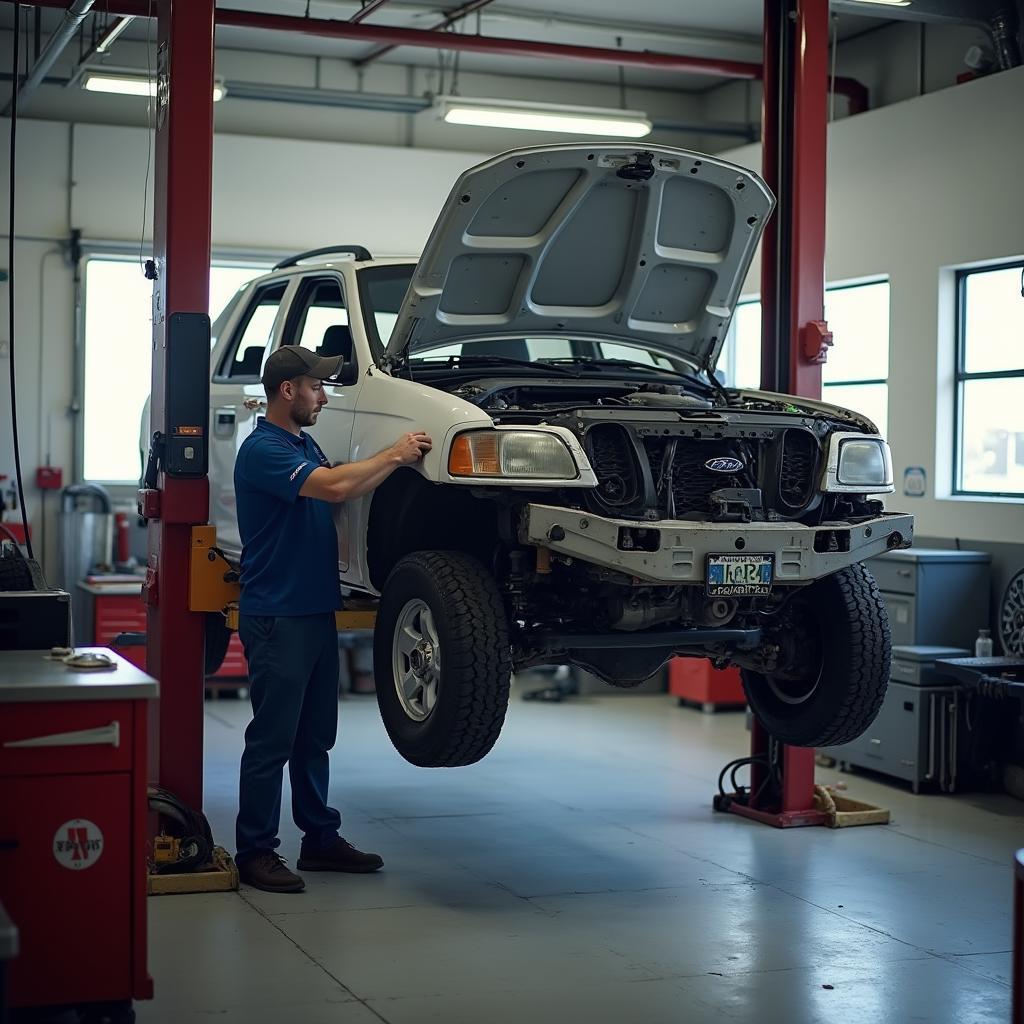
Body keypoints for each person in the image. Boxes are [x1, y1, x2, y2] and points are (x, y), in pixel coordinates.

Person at [233, 344, 432, 894]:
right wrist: (393, 454)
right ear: (287, 390)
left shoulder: (303, 441)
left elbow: (344, 485)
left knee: (315, 736)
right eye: (316, 387)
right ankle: (254, 851)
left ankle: (318, 838)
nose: (323, 395)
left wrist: (395, 468)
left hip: (314, 609)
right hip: (278, 614)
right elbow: (336, 487)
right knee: (272, 739)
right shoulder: (264, 449)